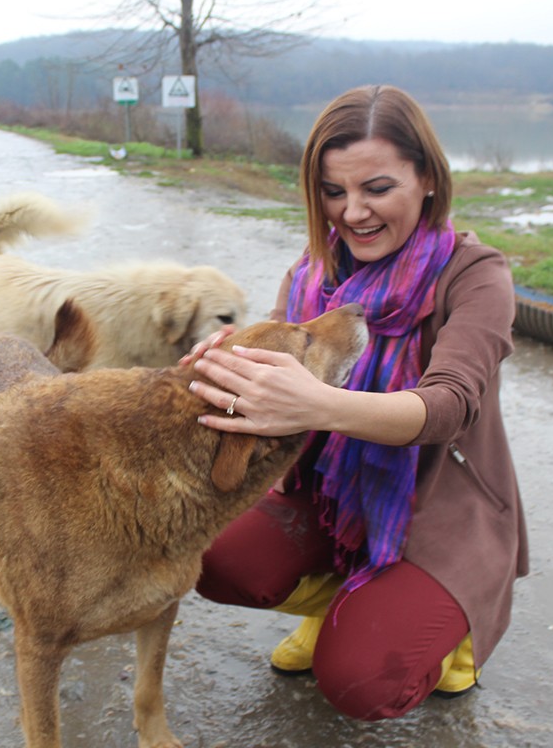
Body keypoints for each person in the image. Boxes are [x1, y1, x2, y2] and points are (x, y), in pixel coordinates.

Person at [184, 85, 528, 721]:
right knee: (209, 557)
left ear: (427, 177)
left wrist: (315, 404)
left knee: (362, 682)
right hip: (331, 497)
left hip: (440, 512)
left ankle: (451, 633)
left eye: (377, 187)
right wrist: (225, 365)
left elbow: (449, 405)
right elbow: (275, 373)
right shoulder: (312, 271)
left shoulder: (476, 275)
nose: (353, 212)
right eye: (334, 191)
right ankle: (345, 603)